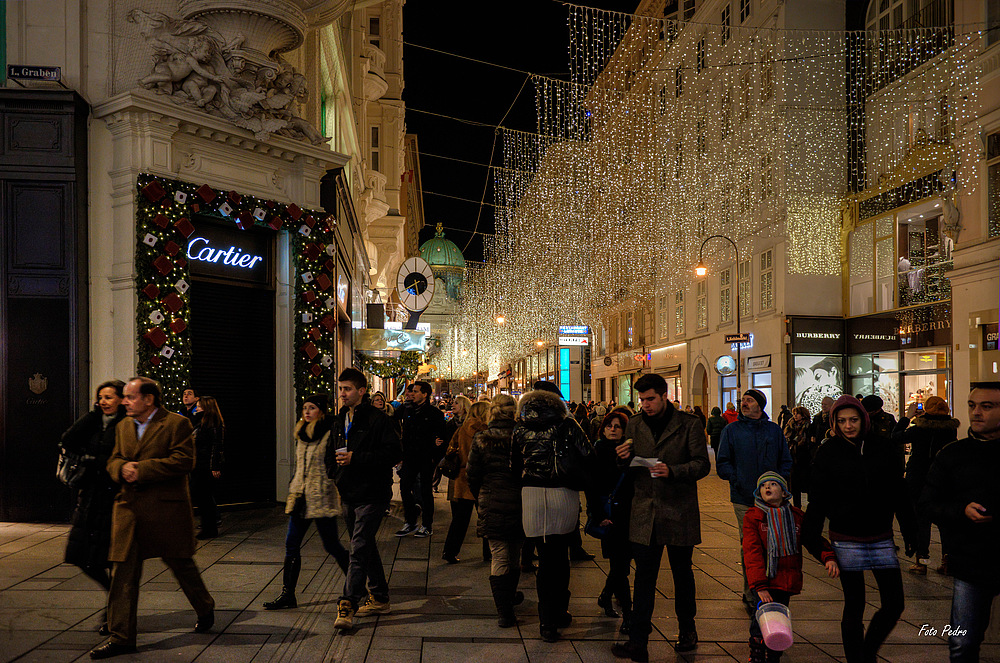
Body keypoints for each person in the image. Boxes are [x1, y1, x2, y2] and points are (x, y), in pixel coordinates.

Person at [90, 377, 214, 659]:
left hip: (165, 511)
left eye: (130, 397)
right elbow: (114, 459)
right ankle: (121, 638)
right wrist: (121, 468)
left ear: (149, 399)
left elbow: (184, 461)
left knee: (181, 564)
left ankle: (205, 606)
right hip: (129, 510)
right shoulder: (123, 426)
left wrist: (142, 470)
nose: (124, 401)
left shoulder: (176, 424)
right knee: (122, 572)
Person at [803, 395, 915, 663]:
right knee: (855, 604)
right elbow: (818, 499)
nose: (848, 426)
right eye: (841, 421)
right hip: (846, 536)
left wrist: (911, 531)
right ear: (834, 422)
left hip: (880, 535)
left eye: (853, 420)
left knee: (894, 603)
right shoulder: (828, 452)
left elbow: (898, 492)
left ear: (863, 419)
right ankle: (857, 659)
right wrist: (814, 541)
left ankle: (867, 653)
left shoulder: (883, 447)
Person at [611, 373, 710, 661]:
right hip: (645, 513)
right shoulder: (636, 424)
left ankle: (687, 630)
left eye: (650, 399)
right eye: (641, 400)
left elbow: (702, 464)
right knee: (644, 579)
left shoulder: (688, 424)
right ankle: (638, 641)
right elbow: (628, 467)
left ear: (665, 395)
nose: (645, 405)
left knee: (682, 574)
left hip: (679, 510)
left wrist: (674, 471)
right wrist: (622, 457)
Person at [920, 382, 1000, 662]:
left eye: (987, 406)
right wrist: (961, 510)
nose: (976, 412)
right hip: (970, 561)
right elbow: (928, 502)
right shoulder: (954, 454)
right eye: (972, 405)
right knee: (963, 643)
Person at [513, 381, 597, 643]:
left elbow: (513, 465)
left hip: (532, 495)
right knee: (560, 555)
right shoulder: (567, 424)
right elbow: (588, 456)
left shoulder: (519, 428)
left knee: (544, 555)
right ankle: (559, 610)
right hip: (562, 492)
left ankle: (546, 621)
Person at [329, 369, 402, 630]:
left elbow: (393, 452)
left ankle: (348, 603)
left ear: (361, 391)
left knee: (358, 549)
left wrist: (356, 459)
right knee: (364, 545)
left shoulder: (377, 419)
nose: (342, 394)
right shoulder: (339, 420)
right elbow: (332, 452)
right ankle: (380, 597)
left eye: (347, 389)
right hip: (348, 492)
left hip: (372, 493)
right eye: (340, 389)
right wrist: (335, 475)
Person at [262, 394, 348, 610]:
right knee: (291, 544)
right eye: (305, 408)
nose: (307, 412)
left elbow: (337, 462)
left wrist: (331, 479)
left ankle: (358, 587)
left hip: (321, 497)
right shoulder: (301, 433)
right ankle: (287, 595)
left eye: (312, 408)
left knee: (332, 545)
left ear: (321, 410)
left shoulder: (330, 431)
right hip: (300, 497)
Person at [743, 472, 838, 663]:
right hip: (764, 580)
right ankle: (757, 655)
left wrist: (827, 557)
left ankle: (774, 654)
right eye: (763, 486)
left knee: (779, 620)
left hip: (785, 579)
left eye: (772, 484)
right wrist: (759, 585)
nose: (767, 488)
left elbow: (811, 539)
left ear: (785, 492)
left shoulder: (795, 516)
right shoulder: (754, 517)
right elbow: (752, 553)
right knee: (760, 619)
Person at [717, 389, 793, 611]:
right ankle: (752, 592)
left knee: (774, 542)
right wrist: (736, 478)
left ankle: (771, 588)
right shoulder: (731, 430)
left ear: (760, 405)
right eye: (744, 401)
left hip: (773, 500)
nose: (744, 404)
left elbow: (785, 459)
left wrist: (780, 482)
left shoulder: (773, 430)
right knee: (750, 545)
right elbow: (723, 462)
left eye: (749, 400)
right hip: (744, 497)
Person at [61, 380, 127, 635]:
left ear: (121, 399)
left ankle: (115, 611)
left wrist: (94, 460)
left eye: (109, 397)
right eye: (101, 397)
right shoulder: (95, 421)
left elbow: (121, 457)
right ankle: (114, 600)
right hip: (89, 498)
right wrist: (92, 413)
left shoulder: (126, 424)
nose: (104, 401)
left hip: (113, 499)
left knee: (111, 559)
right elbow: (68, 439)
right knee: (83, 559)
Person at [466, 394, 525, 627]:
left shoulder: (482, 437)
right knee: (515, 553)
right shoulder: (521, 435)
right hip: (520, 500)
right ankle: (509, 597)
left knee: (499, 554)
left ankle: (504, 611)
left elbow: (472, 474)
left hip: (491, 500)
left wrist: (481, 495)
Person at [894, 396, 959, 575]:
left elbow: (896, 436)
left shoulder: (919, 429)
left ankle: (922, 561)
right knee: (944, 522)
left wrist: (907, 417)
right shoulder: (951, 430)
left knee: (921, 521)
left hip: (919, 479)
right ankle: (947, 561)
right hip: (943, 480)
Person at [592, 410, 634, 635]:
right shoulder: (597, 451)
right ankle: (628, 615)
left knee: (621, 566)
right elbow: (592, 487)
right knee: (619, 567)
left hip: (628, 515)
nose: (613, 429)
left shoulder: (630, 453)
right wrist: (598, 515)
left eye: (618, 426)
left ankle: (606, 596)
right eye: (609, 425)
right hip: (608, 516)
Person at [394, 381, 447, 538]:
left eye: (416, 391)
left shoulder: (434, 414)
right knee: (404, 487)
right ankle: (410, 521)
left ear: (425, 394)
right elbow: (394, 420)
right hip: (409, 456)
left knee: (425, 491)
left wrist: (435, 456)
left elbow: (441, 437)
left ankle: (427, 524)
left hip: (425, 457)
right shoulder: (407, 410)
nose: (412, 394)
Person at [442, 400, 490, 564]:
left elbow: (450, 450)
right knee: (486, 517)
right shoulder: (487, 431)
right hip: (483, 478)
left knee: (460, 519)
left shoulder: (461, 430)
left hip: (463, 477)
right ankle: (488, 553)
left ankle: (450, 551)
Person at [190, 395, 224, 540]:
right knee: (202, 497)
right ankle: (208, 527)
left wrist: (214, 466)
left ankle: (209, 528)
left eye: (199, 405)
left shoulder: (213, 423)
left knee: (205, 498)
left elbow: (217, 446)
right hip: (199, 465)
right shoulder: (200, 422)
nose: (196, 407)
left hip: (205, 466)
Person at [783, 406, 812, 508]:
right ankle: (797, 508)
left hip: (805, 459)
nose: (795, 416)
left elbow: (810, 443)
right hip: (793, 459)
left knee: (806, 484)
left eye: (797, 413)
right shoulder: (789, 426)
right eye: (794, 413)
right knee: (795, 486)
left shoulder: (808, 427)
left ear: (803, 415)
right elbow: (785, 439)